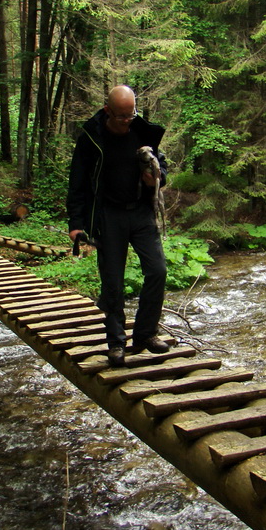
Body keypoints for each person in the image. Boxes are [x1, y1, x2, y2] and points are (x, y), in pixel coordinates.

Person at [67, 85, 171, 367]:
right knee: (112, 283)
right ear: (108, 111)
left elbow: (162, 167)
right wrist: (76, 224)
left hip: (140, 212)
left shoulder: (143, 132)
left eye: (131, 114)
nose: (128, 120)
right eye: (122, 116)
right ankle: (116, 343)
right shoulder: (91, 138)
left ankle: (145, 335)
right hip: (108, 216)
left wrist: (157, 177)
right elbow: (77, 182)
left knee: (158, 270)